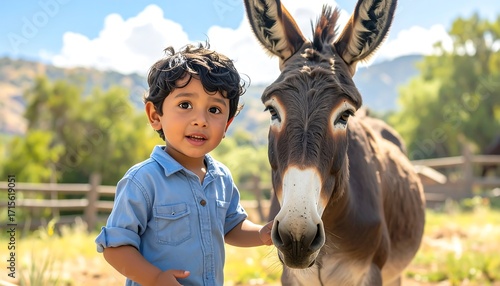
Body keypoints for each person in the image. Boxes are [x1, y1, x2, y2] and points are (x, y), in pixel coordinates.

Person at [95, 43, 273, 286]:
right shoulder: (143, 181)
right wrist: (155, 278)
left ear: (227, 125)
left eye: (214, 109)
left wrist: (263, 234)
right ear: (155, 116)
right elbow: (115, 246)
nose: (200, 120)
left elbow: (232, 226)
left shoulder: (222, 178)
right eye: (185, 105)